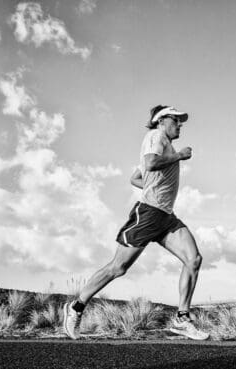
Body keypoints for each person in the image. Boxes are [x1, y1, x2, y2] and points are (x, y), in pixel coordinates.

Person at [63, 105, 209, 341]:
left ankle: (182, 318)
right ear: (161, 121)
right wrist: (180, 156)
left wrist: (154, 185)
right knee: (118, 268)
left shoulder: (164, 144)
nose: (180, 124)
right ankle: (76, 307)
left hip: (166, 216)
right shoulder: (156, 136)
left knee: (194, 259)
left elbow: (136, 177)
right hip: (149, 213)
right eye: (176, 120)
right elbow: (150, 163)